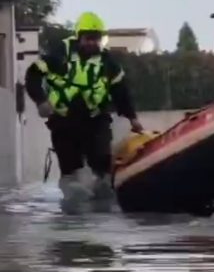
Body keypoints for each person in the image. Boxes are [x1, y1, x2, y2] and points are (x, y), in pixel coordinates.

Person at [25, 12, 143, 203]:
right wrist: (41, 100)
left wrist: (132, 118)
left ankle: (103, 191)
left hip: (96, 120)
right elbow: (33, 75)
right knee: (70, 166)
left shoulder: (108, 63)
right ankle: (73, 198)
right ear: (79, 37)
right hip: (63, 122)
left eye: (96, 39)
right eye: (88, 39)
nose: (92, 43)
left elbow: (121, 91)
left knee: (101, 161)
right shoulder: (59, 55)